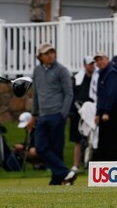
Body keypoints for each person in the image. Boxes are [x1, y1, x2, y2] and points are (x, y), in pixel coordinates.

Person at [31, 42, 75, 185]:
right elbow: (36, 94)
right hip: (43, 116)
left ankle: (57, 181)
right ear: (40, 57)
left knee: (57, 149)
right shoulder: (37, 71)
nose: (51, 55)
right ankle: (66, 173)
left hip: (57, 115)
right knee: (41, 148)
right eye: (47, 53)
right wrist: (33, 114)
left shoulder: (61, 70)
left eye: (52, 52)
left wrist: (63, 114)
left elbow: (69, 93)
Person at [94, 50, 117, 162]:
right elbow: (100, 96)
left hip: (113, 111)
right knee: (104, 139)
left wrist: (106, 111)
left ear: (107, 59)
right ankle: (105, 162)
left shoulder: (112, 73)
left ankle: (113, 161)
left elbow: (111, 94)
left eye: (101, 59)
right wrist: (98, 113)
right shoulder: (102, 74)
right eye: (97, 60)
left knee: (113, 138)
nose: (99, 62)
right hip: (105, 112)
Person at [69, 56, 97, 172]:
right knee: (77, 140)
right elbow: (72, 96)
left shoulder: (96, 78)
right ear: (85, 65)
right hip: (78, 112)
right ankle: (76, 165)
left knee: (92, 140)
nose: (92, 66)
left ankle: (91, 165)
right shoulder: (77, 79)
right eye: (89, 64)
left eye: (93, 64)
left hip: (92, 112)